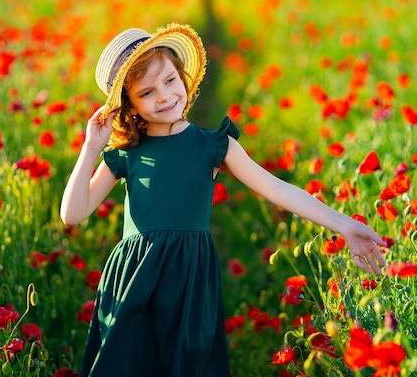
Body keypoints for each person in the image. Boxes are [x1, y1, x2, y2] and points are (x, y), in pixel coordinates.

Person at [60, 23, 386, 377]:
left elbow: (277, 189)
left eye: (170, 81)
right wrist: (92, 146)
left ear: (183, 78)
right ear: (132, 106)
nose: (165, 96)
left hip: (188, 279)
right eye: (147, 92)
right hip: (135, 278)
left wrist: (345, 226)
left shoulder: (213, 144)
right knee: (127, 364)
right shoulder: (128, 154)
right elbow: (73, 214)